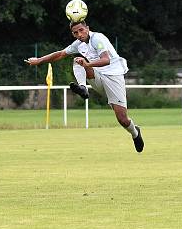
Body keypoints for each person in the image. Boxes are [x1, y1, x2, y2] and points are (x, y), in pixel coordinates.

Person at [25, 20, 144, 152]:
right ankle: (82, 87)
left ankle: (135, 132)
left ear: (87, 28)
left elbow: (106, 60)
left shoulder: (97, 38)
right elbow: (60, 54)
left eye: (81, 30)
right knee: (77, 60)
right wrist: (39, 60)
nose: (79, 34)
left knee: (122, 119)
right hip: (97, 76)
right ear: (73, 34)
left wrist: (87, 65)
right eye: (76, 32)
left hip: (114, 77)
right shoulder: (78, 44)